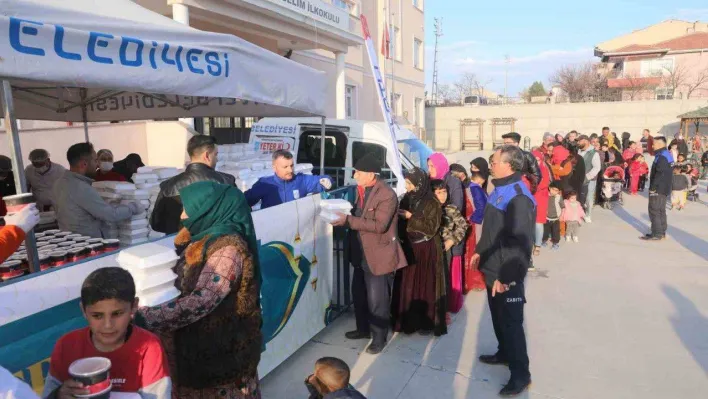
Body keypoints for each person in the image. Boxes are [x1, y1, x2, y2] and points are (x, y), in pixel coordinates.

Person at [136, 181, 262, 397]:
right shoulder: (202, 239)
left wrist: (146, 317)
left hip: (219, 356)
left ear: (209, 210)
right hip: (197, 350)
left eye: (188, 209)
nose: (183, 216)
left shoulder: (228, 250)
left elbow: (203, 300)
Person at [42, 268, 171, 398]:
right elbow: (47, 394)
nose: (108, 325)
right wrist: (58, 395)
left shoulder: (149, 347)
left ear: (134, 306)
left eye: (117, 314)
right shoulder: (66, 346)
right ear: (83, 310)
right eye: (97, 316)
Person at [471, 145, 534, 396]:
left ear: (508, 165)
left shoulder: (519, 196)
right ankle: (504, 353)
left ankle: (521, 374)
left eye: (494, 161)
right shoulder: (499, 188)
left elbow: (519, 244)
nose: (491, 164)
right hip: (491, 265)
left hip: (505, 272)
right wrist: (479, 249)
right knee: (498, 317)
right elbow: (492, 229)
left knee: (511, 322)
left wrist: (506, 278)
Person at [332, 153, 406, 354]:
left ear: (371, 175)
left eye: (358, 172)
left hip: (378, 255)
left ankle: (379, 339)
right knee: (359, 294)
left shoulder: (386, 194)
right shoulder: (361, 190)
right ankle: (362, 329)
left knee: (377, 300)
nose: (354, 175)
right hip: (360, 252)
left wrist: (347, 220)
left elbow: (380, 225)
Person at [392, 168, 447, 337]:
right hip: (409, 247)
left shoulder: (432, 203)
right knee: (408, 285)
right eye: (406, 183)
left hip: (426, 249)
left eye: (410, 183)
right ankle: (408, 321)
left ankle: (426, 322)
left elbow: (431, 228)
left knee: (425, 286)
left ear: (419, 184)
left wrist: (411, 217)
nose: (407, 187)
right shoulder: (407, 199)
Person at [151, 135, 235, 234]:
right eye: (216, 154)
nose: (217, 159)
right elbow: (239, 217)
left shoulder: (168, 186)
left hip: (182, 245)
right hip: (217, 244)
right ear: (207, 155)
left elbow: (157, 224)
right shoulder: (226, 181)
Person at [53, 142, 140, 237]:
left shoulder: (59, 182)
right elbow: (110, 215)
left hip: (70, 239)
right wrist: (133, 207)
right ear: (84, 164)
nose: (97, 165)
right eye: (95, 161)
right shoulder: (81, 188)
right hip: (87, 243)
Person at [245, 149, 332, 209]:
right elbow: (244, 201)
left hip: (295, 230)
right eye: (285, 167)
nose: (290, 170)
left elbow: (321, 180)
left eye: (291, 165)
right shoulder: (265, 184)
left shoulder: (301, 180)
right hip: (272, 230)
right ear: (274, 168)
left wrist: (326, 180)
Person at [431, 179, 468, 314]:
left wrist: (451, 240)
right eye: (439, 192)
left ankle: (443, 311)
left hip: (445, 250)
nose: (442, 195)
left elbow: (463, 226)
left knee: (444, 281)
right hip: (430, 250)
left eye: (444, 192)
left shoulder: (451, 209)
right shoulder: (429, 209)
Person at [641, 136, 673, 241]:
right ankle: (661, 232)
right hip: (664, 187)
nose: (652, 145)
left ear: (659, 144)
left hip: (659, 188)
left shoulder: (662, 156)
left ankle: (657, 233)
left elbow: (660, 173)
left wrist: (653, 187)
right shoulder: (665, 154)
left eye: (654, 143)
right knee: (660, 210)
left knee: (654, 210)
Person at [464, 171, 488, 293]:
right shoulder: (476, 189)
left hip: (470, 223)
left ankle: (468, 280)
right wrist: (474, 221)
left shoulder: (468, 186)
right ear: (481, 179)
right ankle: (476, 280)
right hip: (476, 224)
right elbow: (481, 208)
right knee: (476, 251)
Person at [531, 149, 551, 256]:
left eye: (537, 159)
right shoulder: (529, 170)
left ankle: (537, 245)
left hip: (541, 198)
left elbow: (544, 183)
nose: (536, 162)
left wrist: (532, 187)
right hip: (530, 197)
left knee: (538, 222)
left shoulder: (544, 169)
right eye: (534, 160)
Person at [577, 135, 600, 223]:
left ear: (586, 141)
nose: (578, 143)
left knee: (588, 197)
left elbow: (597, 168)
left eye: (580, 141)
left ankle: (588, 214)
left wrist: (587, 177)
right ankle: (579, 213)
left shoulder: (594, 153)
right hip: (578, 178)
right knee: (579, 197)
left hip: (589, 180)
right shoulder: (578, 151)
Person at [543, 182, 563, 251]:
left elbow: (562, 207)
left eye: (557, 190)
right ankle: (543, 240)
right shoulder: (545, 195)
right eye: (553, 189)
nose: (555, 192)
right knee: (545, 230)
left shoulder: (559, 197)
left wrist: (561, 215)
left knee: (556, 231)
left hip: (556, 218)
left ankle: (555, 243)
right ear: (549, 188)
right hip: (546, 218)